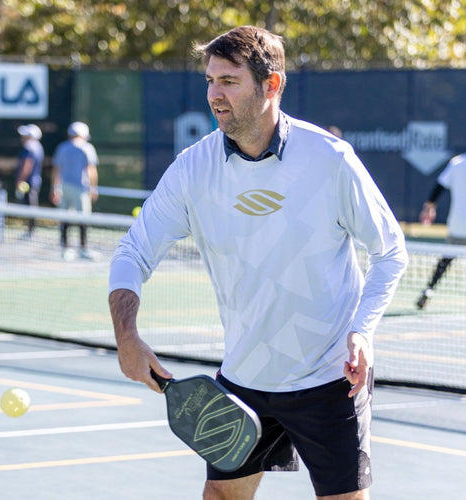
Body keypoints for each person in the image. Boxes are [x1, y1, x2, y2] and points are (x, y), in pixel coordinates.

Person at [108, 26, 408, 500]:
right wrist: (126, 335)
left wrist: (362, 329)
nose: (214, 95)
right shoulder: (192, 169)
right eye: (210, 81)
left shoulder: (330, 160)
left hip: (330, 379)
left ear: (272, 85)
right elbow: (133, 251)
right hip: (243, 381)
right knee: (221, 496)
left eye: (229, 81)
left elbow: (390, 251)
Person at [416, 153, 466, 309]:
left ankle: (429, 289)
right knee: (446, 260)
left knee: (445, 260)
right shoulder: (457, 163)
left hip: (458, 226)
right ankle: (429, 290)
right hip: (458, 226)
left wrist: (429, 207)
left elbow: (439, 187)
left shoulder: (457, 163)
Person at [50, 121, 99, 261]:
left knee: (65, 218)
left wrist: (55, 188)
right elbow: (91, 170)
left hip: (64, 187)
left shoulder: (62, 148)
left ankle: (65, 249)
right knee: (83, 218)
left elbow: (56, 170)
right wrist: (93, 188)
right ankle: (83, 249)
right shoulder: (87, 148)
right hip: (81, 189)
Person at [15, 123, 44, 237]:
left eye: (25, 135)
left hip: (29, 183)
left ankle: (31, 231)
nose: (22, 137)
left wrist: (20, 180)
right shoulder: (37, 146)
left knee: (30, 207)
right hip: (33, 183)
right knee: (31, 207)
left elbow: (27, 165)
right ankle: (30, 230)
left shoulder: (29, 147)